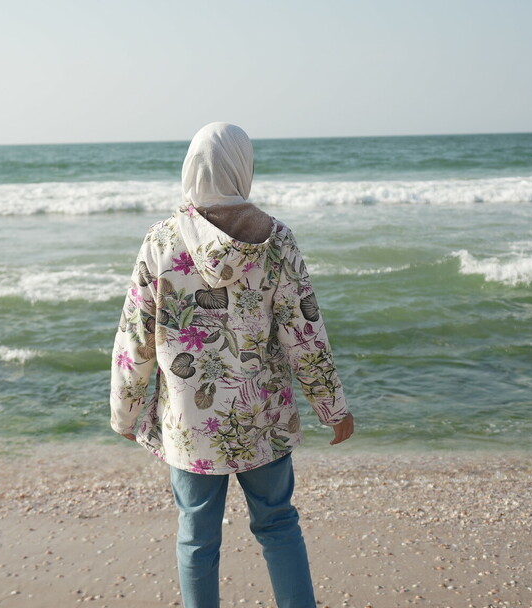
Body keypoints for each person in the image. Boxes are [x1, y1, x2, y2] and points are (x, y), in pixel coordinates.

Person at [110, 121, 354, 608]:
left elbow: (135, 338)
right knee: (278, 523)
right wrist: (332, 407)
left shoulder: (161, 241)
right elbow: (304, 331)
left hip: (190, 423)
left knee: (197, 537)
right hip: (260, 417)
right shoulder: (277, 241)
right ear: (243, 167)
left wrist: (126, 409)